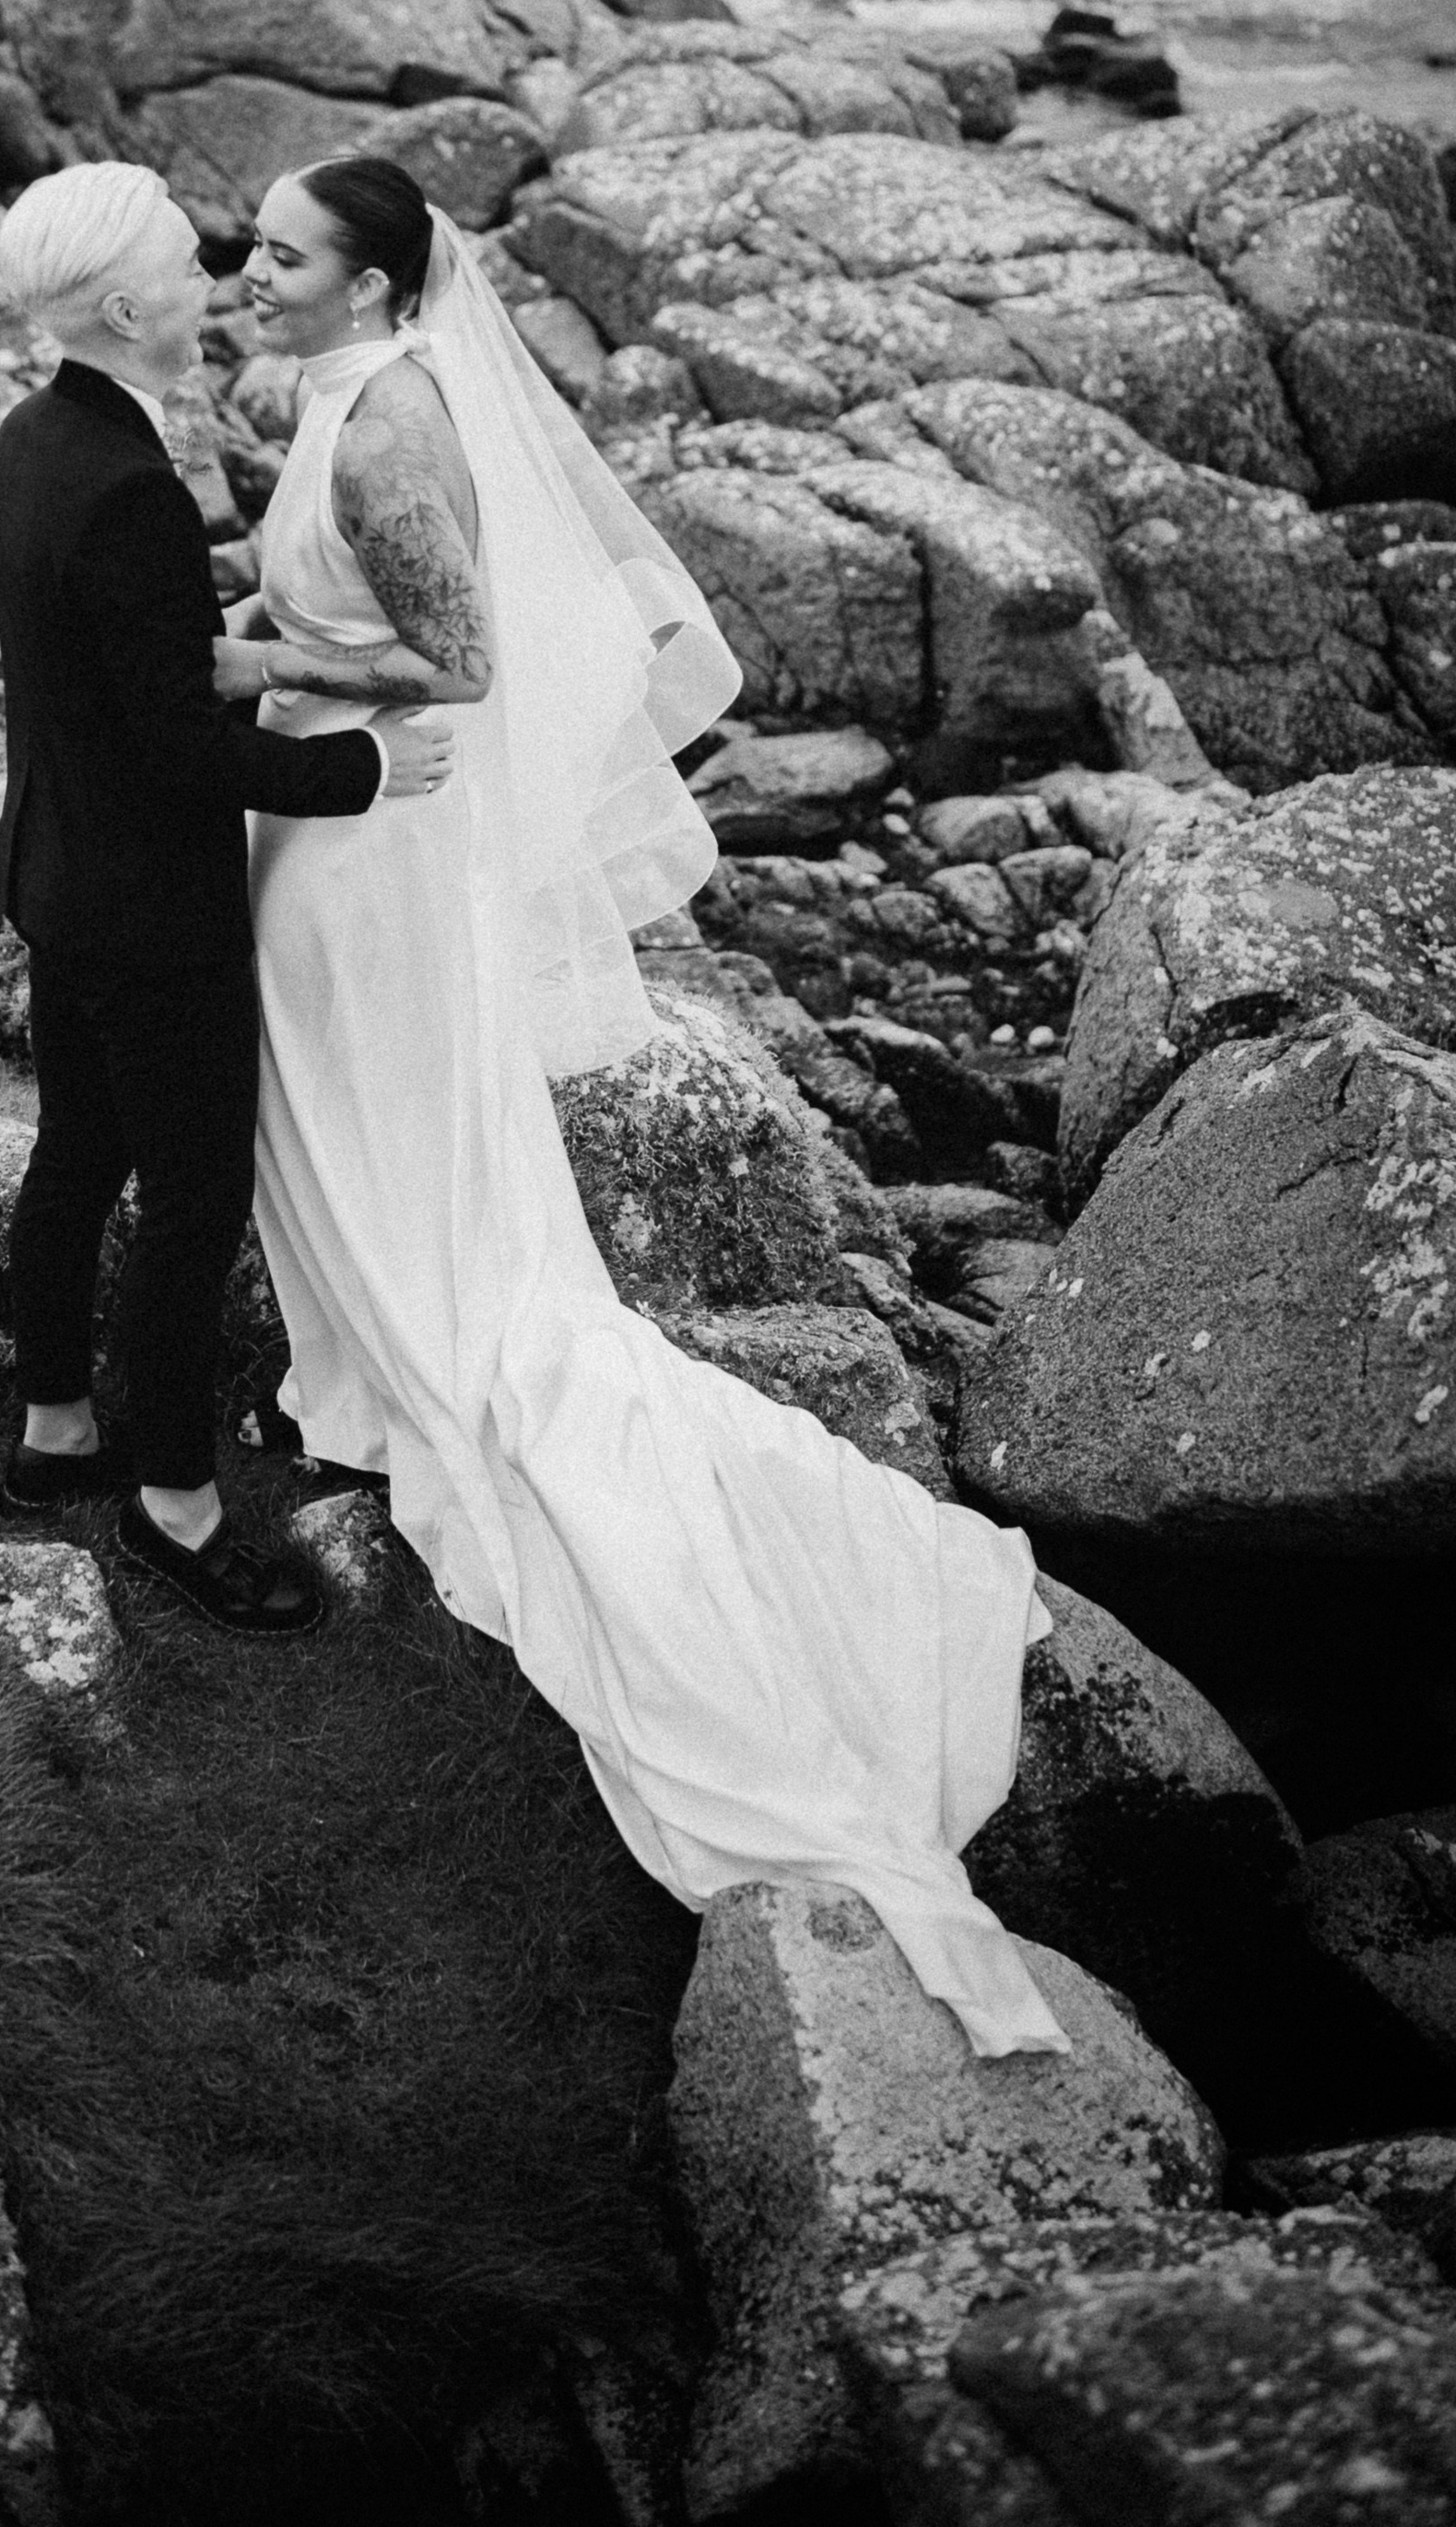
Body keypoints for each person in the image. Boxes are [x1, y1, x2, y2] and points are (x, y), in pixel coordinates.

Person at [212, 154, 1069, 2058]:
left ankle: (415, 1357)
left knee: (377, 1117)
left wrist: (254, 658)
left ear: (372, 286)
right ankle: (364, 1356)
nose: (245, 271)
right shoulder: (341, 394)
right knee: (337, 1113)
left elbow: (465, 664)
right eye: (249, 245)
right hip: (334, 818)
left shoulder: (390, 429)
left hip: (378, 837)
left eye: (278, 252)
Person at [0, 159, 455, 1640]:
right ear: (127, 309)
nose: (218, 284)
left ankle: (56, 1434)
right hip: (148, 907)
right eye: (191, 266)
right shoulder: (129, 487)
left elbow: (109, 671)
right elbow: (179, 747)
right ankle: (176, 1507)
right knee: (192, 1205)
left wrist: (240, 641)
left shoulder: (33, 439)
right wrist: (361, 768)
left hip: (55, 871)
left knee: (74, 1154)